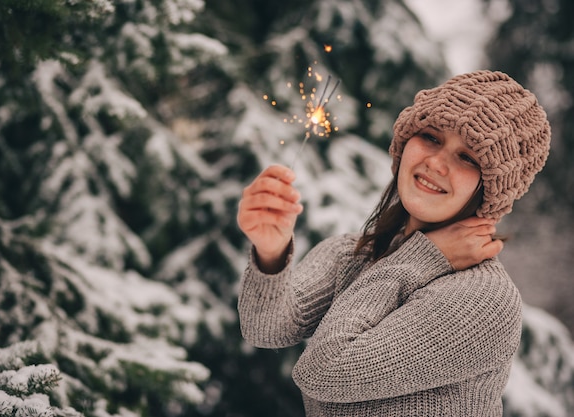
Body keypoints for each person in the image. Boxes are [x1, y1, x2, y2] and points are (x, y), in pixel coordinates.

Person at [236, 70, 551, 416]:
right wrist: (271, 251)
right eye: (431, 137)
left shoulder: (484, 298)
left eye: (467, 158)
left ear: (491, 190)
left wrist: (422, 259)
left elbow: (326, 370)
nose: (436, 163)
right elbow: (265, 328)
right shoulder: (352, 255)